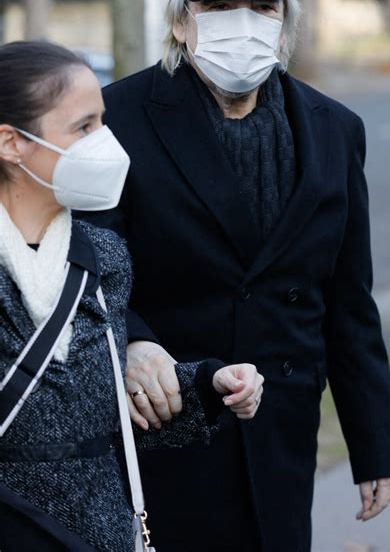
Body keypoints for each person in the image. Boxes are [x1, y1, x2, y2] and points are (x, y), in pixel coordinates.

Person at [81, 0, 390, 552]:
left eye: (263, 7)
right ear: (181, 21)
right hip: (166, 422)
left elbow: (348, 299)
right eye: (219, 7)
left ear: (285, 24)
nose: (245, 23)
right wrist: (133, 343)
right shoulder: (114, 119)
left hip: (281, 430)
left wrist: (375, 444)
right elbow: (85, 266)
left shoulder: (336, 130)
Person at [0, 40, 264, 552]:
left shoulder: (103, 256)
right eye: (82, 128)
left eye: (102, 120)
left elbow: (108, 418)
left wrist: (209, 385)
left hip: (105, 533)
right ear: (12, 142)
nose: (105, 141)